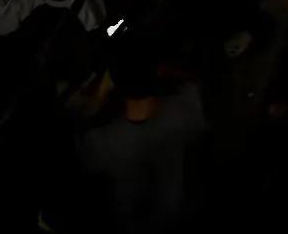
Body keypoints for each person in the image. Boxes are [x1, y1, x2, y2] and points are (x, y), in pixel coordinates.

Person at [77, 35, 206, 234]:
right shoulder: (186, 102)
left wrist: (100, 96)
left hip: (131, 226)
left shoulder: (100, 141)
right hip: (179, 215)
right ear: (157, 70)